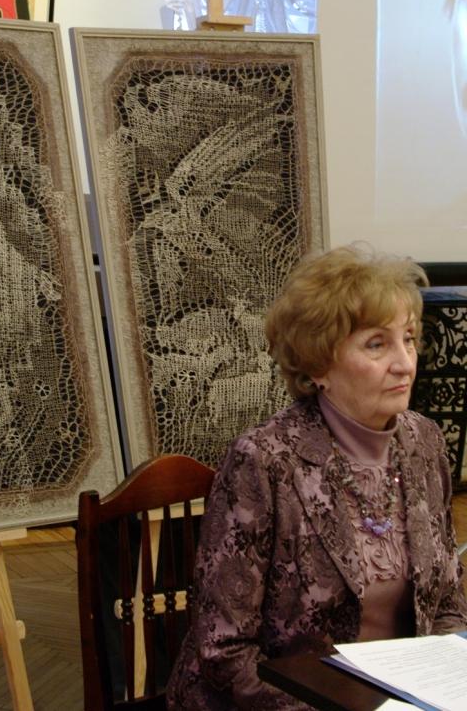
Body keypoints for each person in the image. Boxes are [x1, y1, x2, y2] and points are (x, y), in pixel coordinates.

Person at [166, 245, 467, 709]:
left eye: (409, 338)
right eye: (377, 344)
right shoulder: (264, 461)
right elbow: (224, 651)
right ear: (319, 364)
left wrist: (442, 688)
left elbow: (446, 599)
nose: (405, 363)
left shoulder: (423, 441)